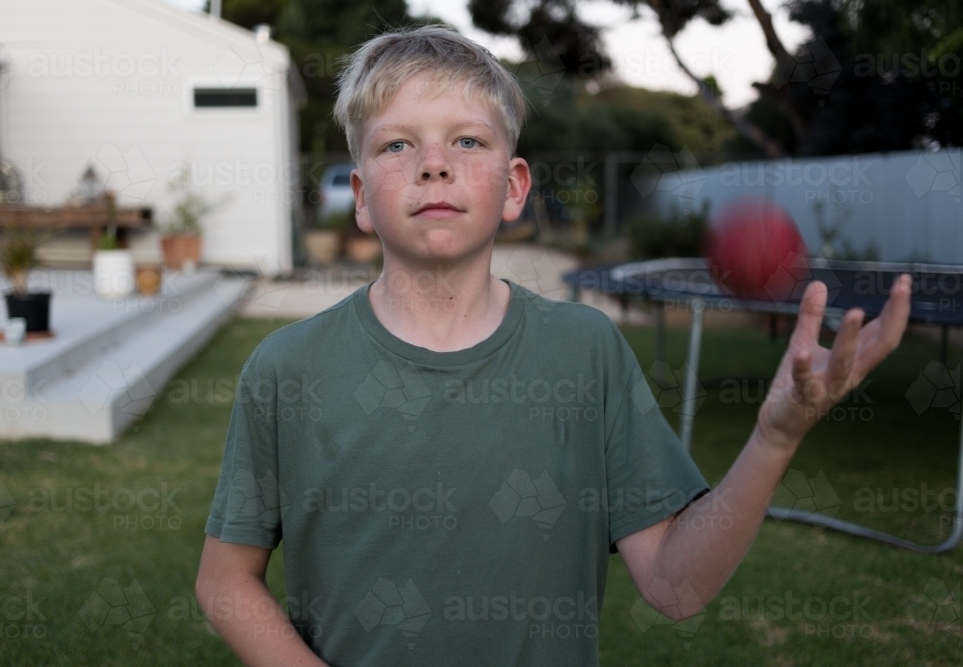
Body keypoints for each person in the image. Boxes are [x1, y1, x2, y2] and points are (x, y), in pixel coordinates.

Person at [195, 25, 912, 667]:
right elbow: (225, 578)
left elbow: (675, 584)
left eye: (467, 140)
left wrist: (774, 436)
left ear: (514, 187)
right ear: (359, 193)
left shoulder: (584, 353)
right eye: (397, 144)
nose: (434, 163)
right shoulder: (288, 369)